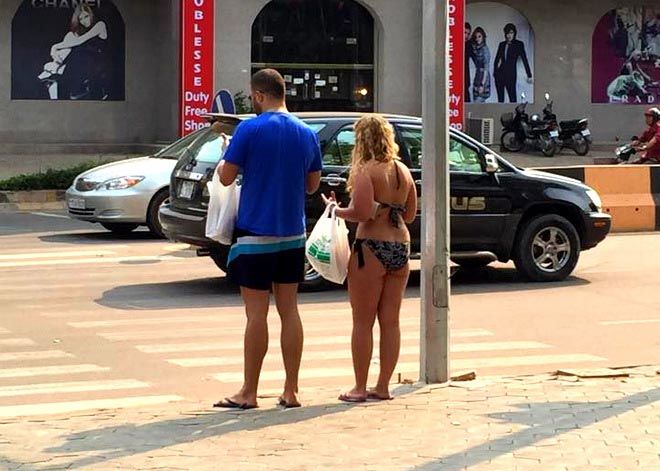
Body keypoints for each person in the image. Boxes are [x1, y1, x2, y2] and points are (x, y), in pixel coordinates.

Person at [214, 69, 323, 410]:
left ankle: (249, 391)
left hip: (255, 235)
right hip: (292, 234)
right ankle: (291, 390)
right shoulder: (306, 133)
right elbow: (312, 185)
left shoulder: (249, 129)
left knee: (256, 314)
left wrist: (225, 156)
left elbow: (227, 177)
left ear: (259, 96)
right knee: (290, 311)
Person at [323, 114, 417, 403]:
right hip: (400, 246)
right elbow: (410, 215)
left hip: (370, 248)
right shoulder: (403, 171)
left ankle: (360, 387)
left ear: (362, 140)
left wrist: (334, 210)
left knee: (362, 321)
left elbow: (362, 213)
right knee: (391, 321)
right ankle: (384, 386)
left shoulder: (366, 170)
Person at [39, 5, 108, 100]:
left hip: (96, 62)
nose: (84, 21)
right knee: (70, 37)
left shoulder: (100, 25)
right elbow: (72, 42)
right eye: (81, 19)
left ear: (91, 15)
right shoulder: (80, 32)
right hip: (81, 62)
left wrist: (54, 47)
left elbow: (79, 41)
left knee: (77, 49)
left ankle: (56, 70)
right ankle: (57, 67)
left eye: (86, 16)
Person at [493, 23, 533, 103]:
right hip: (500, 75)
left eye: (511, 33)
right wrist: (495, 72)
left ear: (514, 33)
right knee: (500, 100)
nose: (509, 35)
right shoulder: (502, 44)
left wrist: (529, 75)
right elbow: (497, 59)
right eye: (507, 33)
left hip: (511, 75)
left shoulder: (519, 44)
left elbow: (524, 59)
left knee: (513, 99)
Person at [470, 27, 491, 103]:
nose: (477, 39)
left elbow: (486, 68)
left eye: (479, 36)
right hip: (477, 75)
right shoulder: (477, 49)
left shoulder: (485, 49)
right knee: (477, 101)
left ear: (483, 37)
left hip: (483, 77)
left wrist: (482, 84)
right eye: (476, 37)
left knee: (479, 100)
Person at [464, 22, 475, 103]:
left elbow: (475, 58)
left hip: (465, 77)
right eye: (465, 33)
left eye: (468, 33)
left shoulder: (468, 45)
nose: (466, 36)